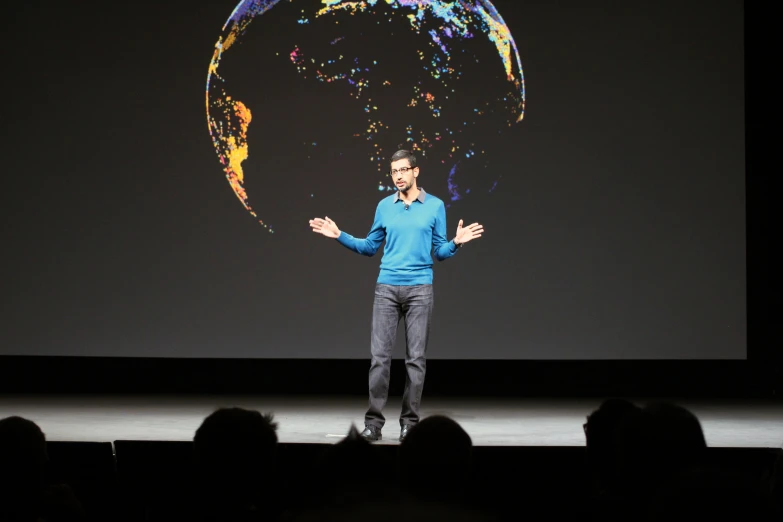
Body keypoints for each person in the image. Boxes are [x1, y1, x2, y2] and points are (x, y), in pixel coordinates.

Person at [309, 149, 484, 442]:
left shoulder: (435, 206)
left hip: (420, 289)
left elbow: (439, 251)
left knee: (415, 360)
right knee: (380, 359)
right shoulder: (384, 206)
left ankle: (409, 424)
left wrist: (455, 243)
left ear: (416, 171)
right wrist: (340, 235)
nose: (398, 176)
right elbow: (369, 246)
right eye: (393, 172)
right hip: (387, 289)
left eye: (403, 170)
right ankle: (374, 424)